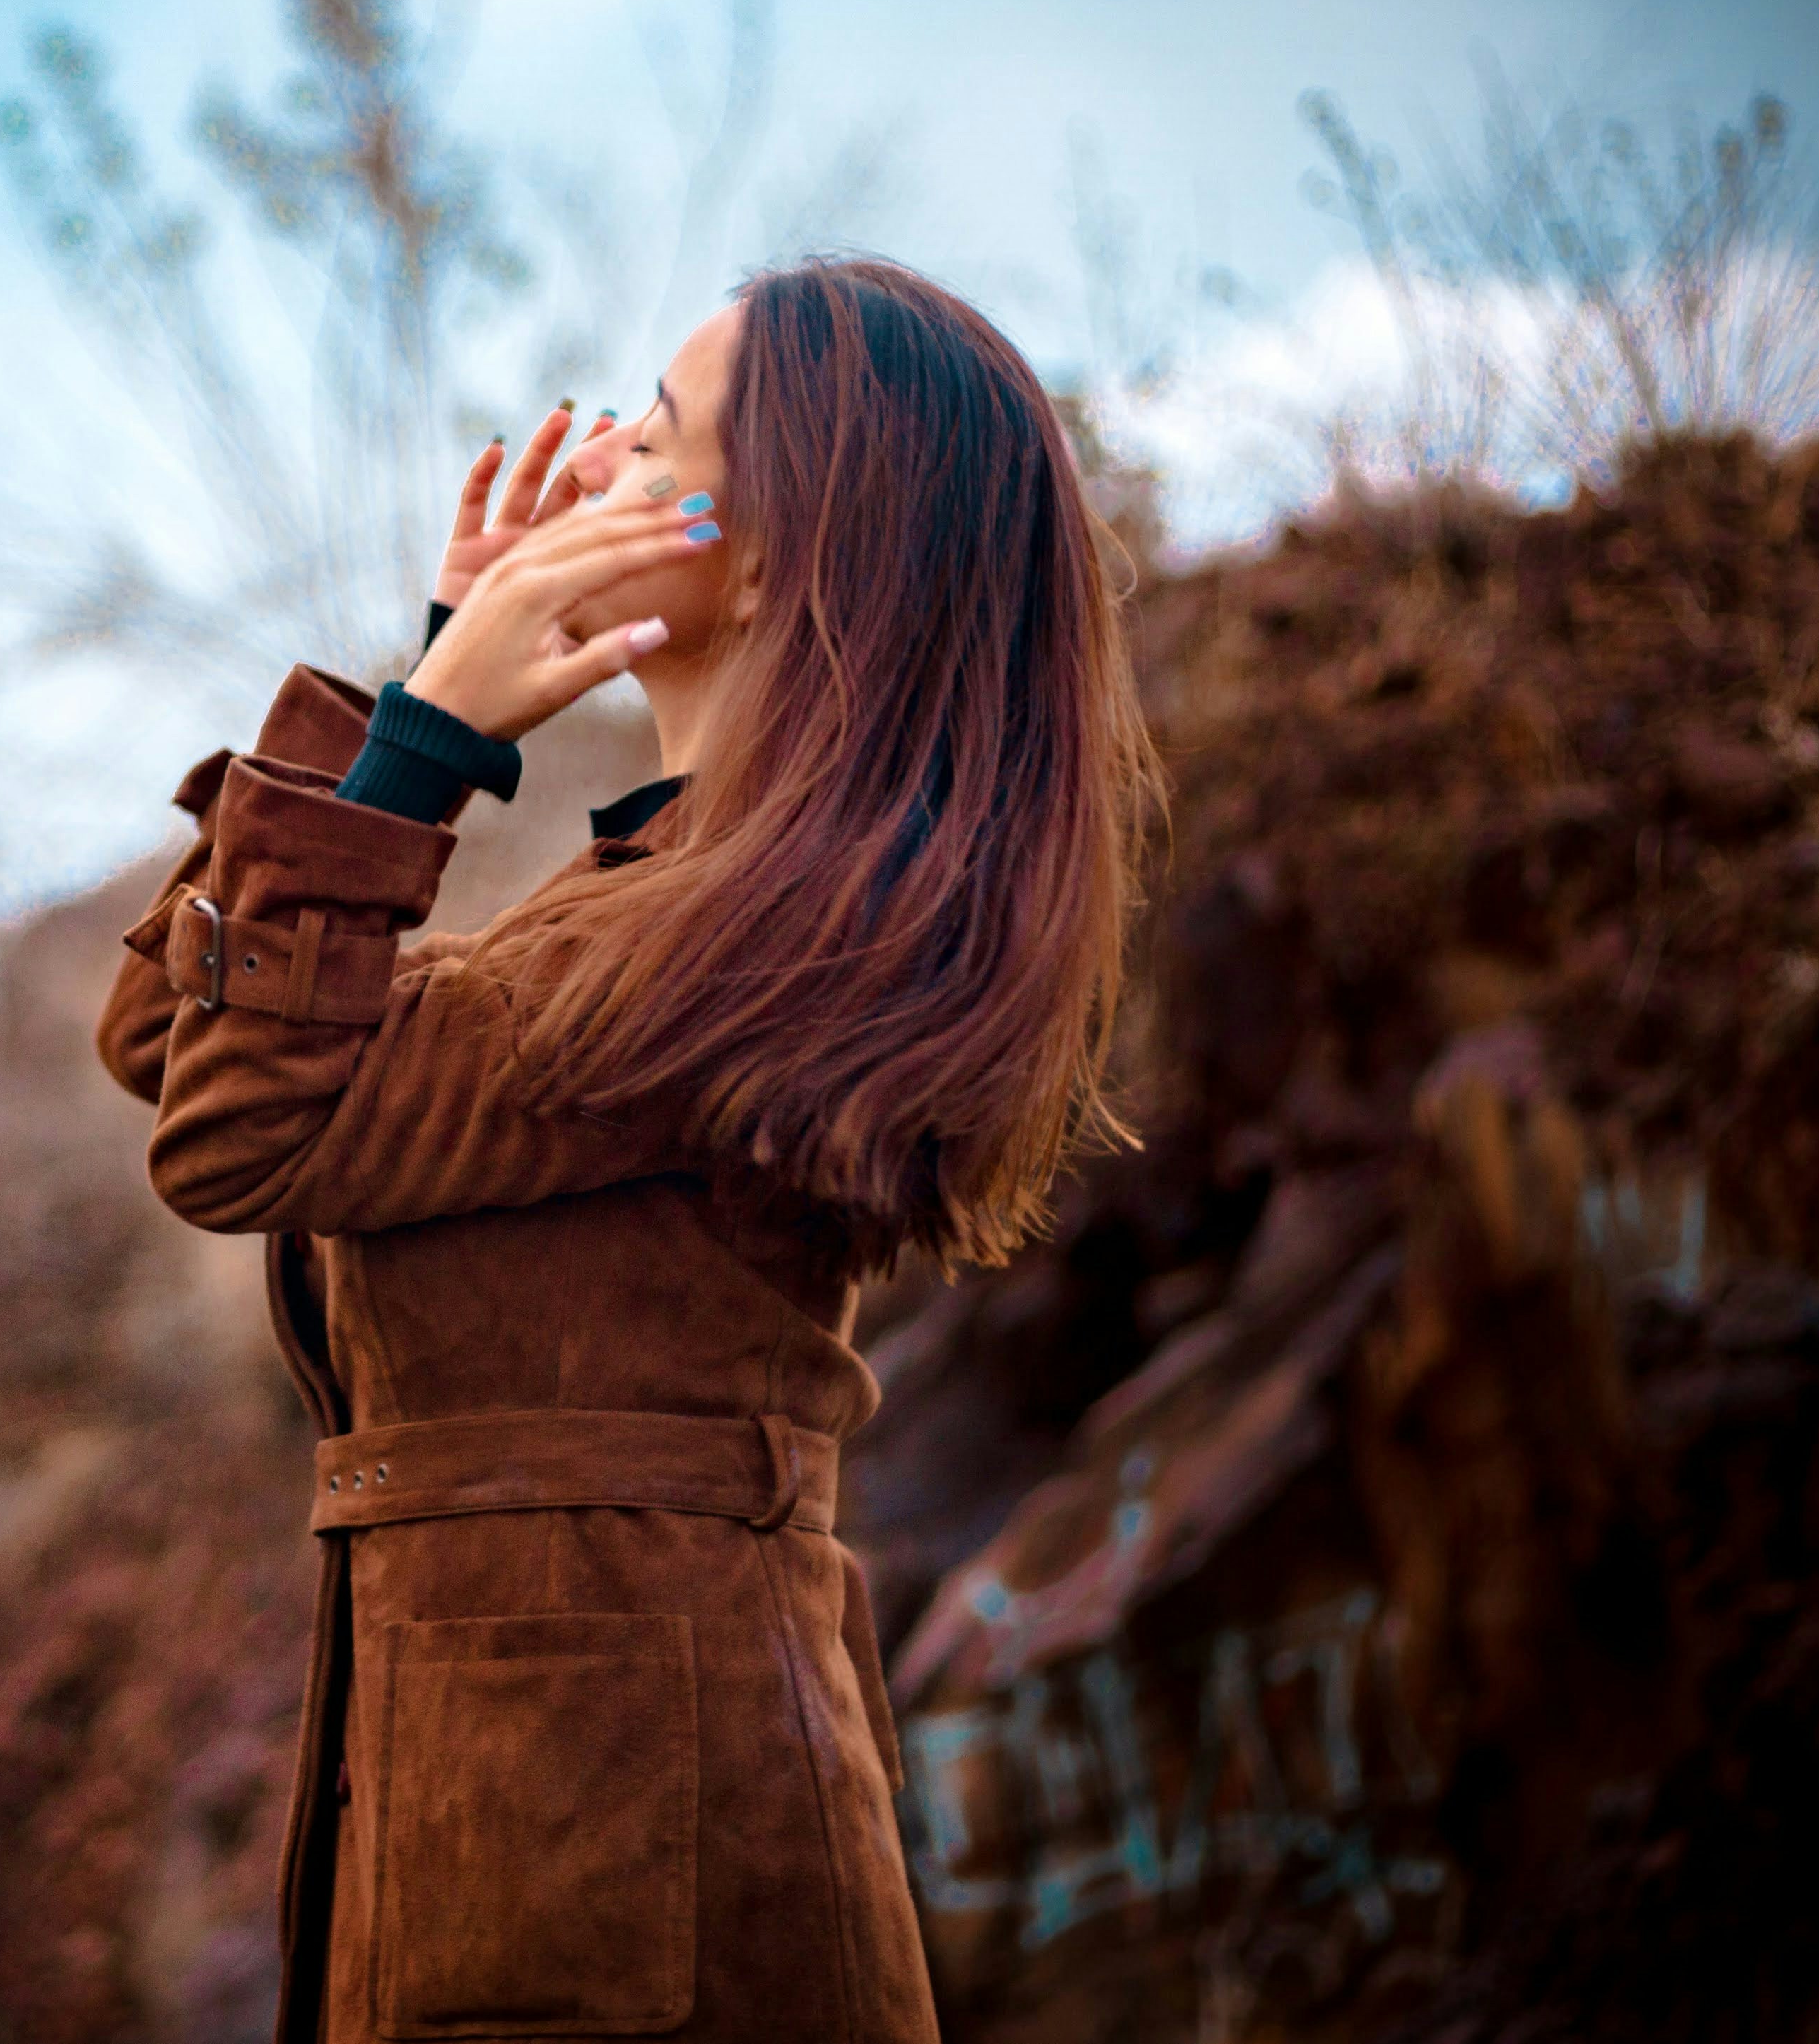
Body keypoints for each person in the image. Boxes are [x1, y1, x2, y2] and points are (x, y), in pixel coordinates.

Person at [95, 257, 1158, 2043]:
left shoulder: (743, 957)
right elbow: (167, 1037)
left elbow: (240, 1134)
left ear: (767, 556)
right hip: (554, 1834)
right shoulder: (650, 910)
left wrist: (427, 753)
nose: (586, 463)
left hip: (627, 1873)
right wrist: (408, 699)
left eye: (653, 440)